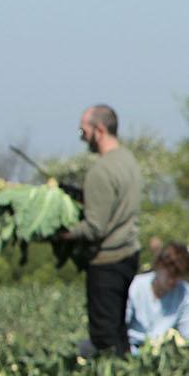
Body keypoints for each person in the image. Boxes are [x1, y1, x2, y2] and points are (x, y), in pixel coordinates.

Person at [61, 104, 142, 356]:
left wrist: (62, 234)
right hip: (129, 254)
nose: (82, 137)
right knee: (119, 331)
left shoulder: (101, 170)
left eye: (82, 131)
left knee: (104, 336)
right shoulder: (129, 160)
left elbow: (94, 228)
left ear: (99, 130)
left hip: (107, 260)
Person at [125, 241, 189, 349]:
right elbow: (120, 324)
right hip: (133, 345)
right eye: (170, 274)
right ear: (159, 266)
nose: (173, 280)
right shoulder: (136, 286)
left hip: (164, 349)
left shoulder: (184, 292)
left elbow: (187, 330)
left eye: (178, 276)